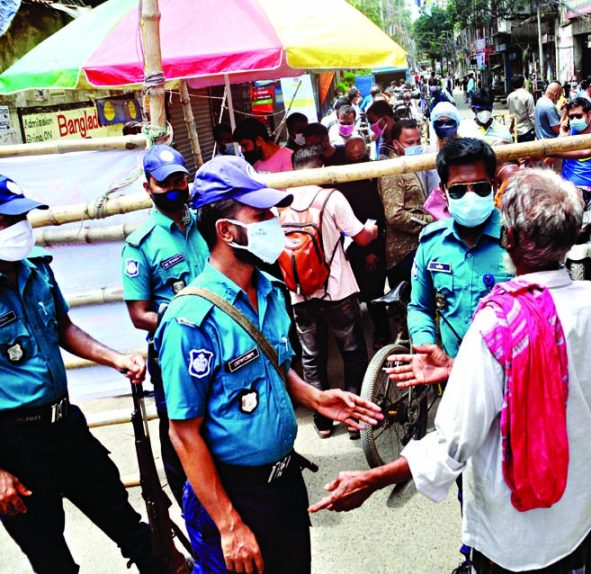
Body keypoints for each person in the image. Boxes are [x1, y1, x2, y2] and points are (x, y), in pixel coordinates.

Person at [309, 168, 591, 574]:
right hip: (571, 485)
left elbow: (453, 444)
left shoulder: (495, 325)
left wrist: (372, 479)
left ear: (509, 238)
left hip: (513, 514)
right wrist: (458, 366)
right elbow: (547, 373)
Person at [154, 156, 382, 572]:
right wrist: (228, 525)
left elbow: (275, 366)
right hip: (232, 495)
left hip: (284, 483)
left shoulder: (273, 290)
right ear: (226, 231)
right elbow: (184, 433)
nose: (274, 223)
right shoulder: (190, 321)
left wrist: (315, 397)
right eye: (260, 215)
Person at [0, 176, 166, 573]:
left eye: (23, 215)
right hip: (13, 441)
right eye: (9, 219)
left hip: (64, 426)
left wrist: (115, 359)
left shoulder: (35, 270)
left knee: (134, 531)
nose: (21, 226)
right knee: (51, 558)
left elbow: (64, 329)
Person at [120, 145, 209, 505]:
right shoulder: (139, 246)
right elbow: (139, 314)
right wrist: (186, 320)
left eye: (180, 180)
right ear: (148, 188)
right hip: (174, 353)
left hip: (219, 345)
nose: (175, 189)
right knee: (180, 429)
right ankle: (191, 500)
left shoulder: (205, 224)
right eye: (165, 183)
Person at [287, 148, 380, 440]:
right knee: (352, 352)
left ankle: (323, 421)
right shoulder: (331, 197)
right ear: (323, 169)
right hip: (337, 291)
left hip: (300, 294)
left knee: (312, 358)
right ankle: (355, 418)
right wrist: (372, 230)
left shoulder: (280, 200)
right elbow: (361, 237)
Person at [408, 137, 514, 361]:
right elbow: (420, 307)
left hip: (509, 377)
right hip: (450, 374)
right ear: (443, 191)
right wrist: (425, 346)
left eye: (480, 188)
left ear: (495, 186)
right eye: (457, 190)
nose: (470, 197)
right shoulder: (432, 243)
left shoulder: (518, 239)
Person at [336, 138, 391, 347]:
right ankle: (380, 332)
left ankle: (383, 332)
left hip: (379, 241)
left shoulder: (375, 172)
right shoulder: (344, 181)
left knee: (376, 292)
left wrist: (372, 248)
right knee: (369, 294)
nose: (358, 159)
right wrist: (364, 250)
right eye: (353, 156)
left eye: (361, 155)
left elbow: (379, 214)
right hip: (358, 245)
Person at [378, 120, 435, 287]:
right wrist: (431, 222)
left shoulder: (414, 165)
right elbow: (394, 215)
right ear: (396, 144)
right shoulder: (393, 171)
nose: (416, 146)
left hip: (420, 246)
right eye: (410, 143)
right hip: (404, 253)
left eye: (418, 141)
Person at [557, 97, 591, 189]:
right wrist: (563, 137)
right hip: (568, 190)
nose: (574, 120)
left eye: (578, 116)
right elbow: (550, 158)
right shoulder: (567, 133)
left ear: (590, 114)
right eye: (571, 117)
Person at [506, 75, 536, 142]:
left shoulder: (509, 97)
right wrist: (536, 128)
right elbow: (532, 115)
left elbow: (510, 111)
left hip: (514, 130)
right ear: (523, 83)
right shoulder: (528, 96)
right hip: (526, 130)